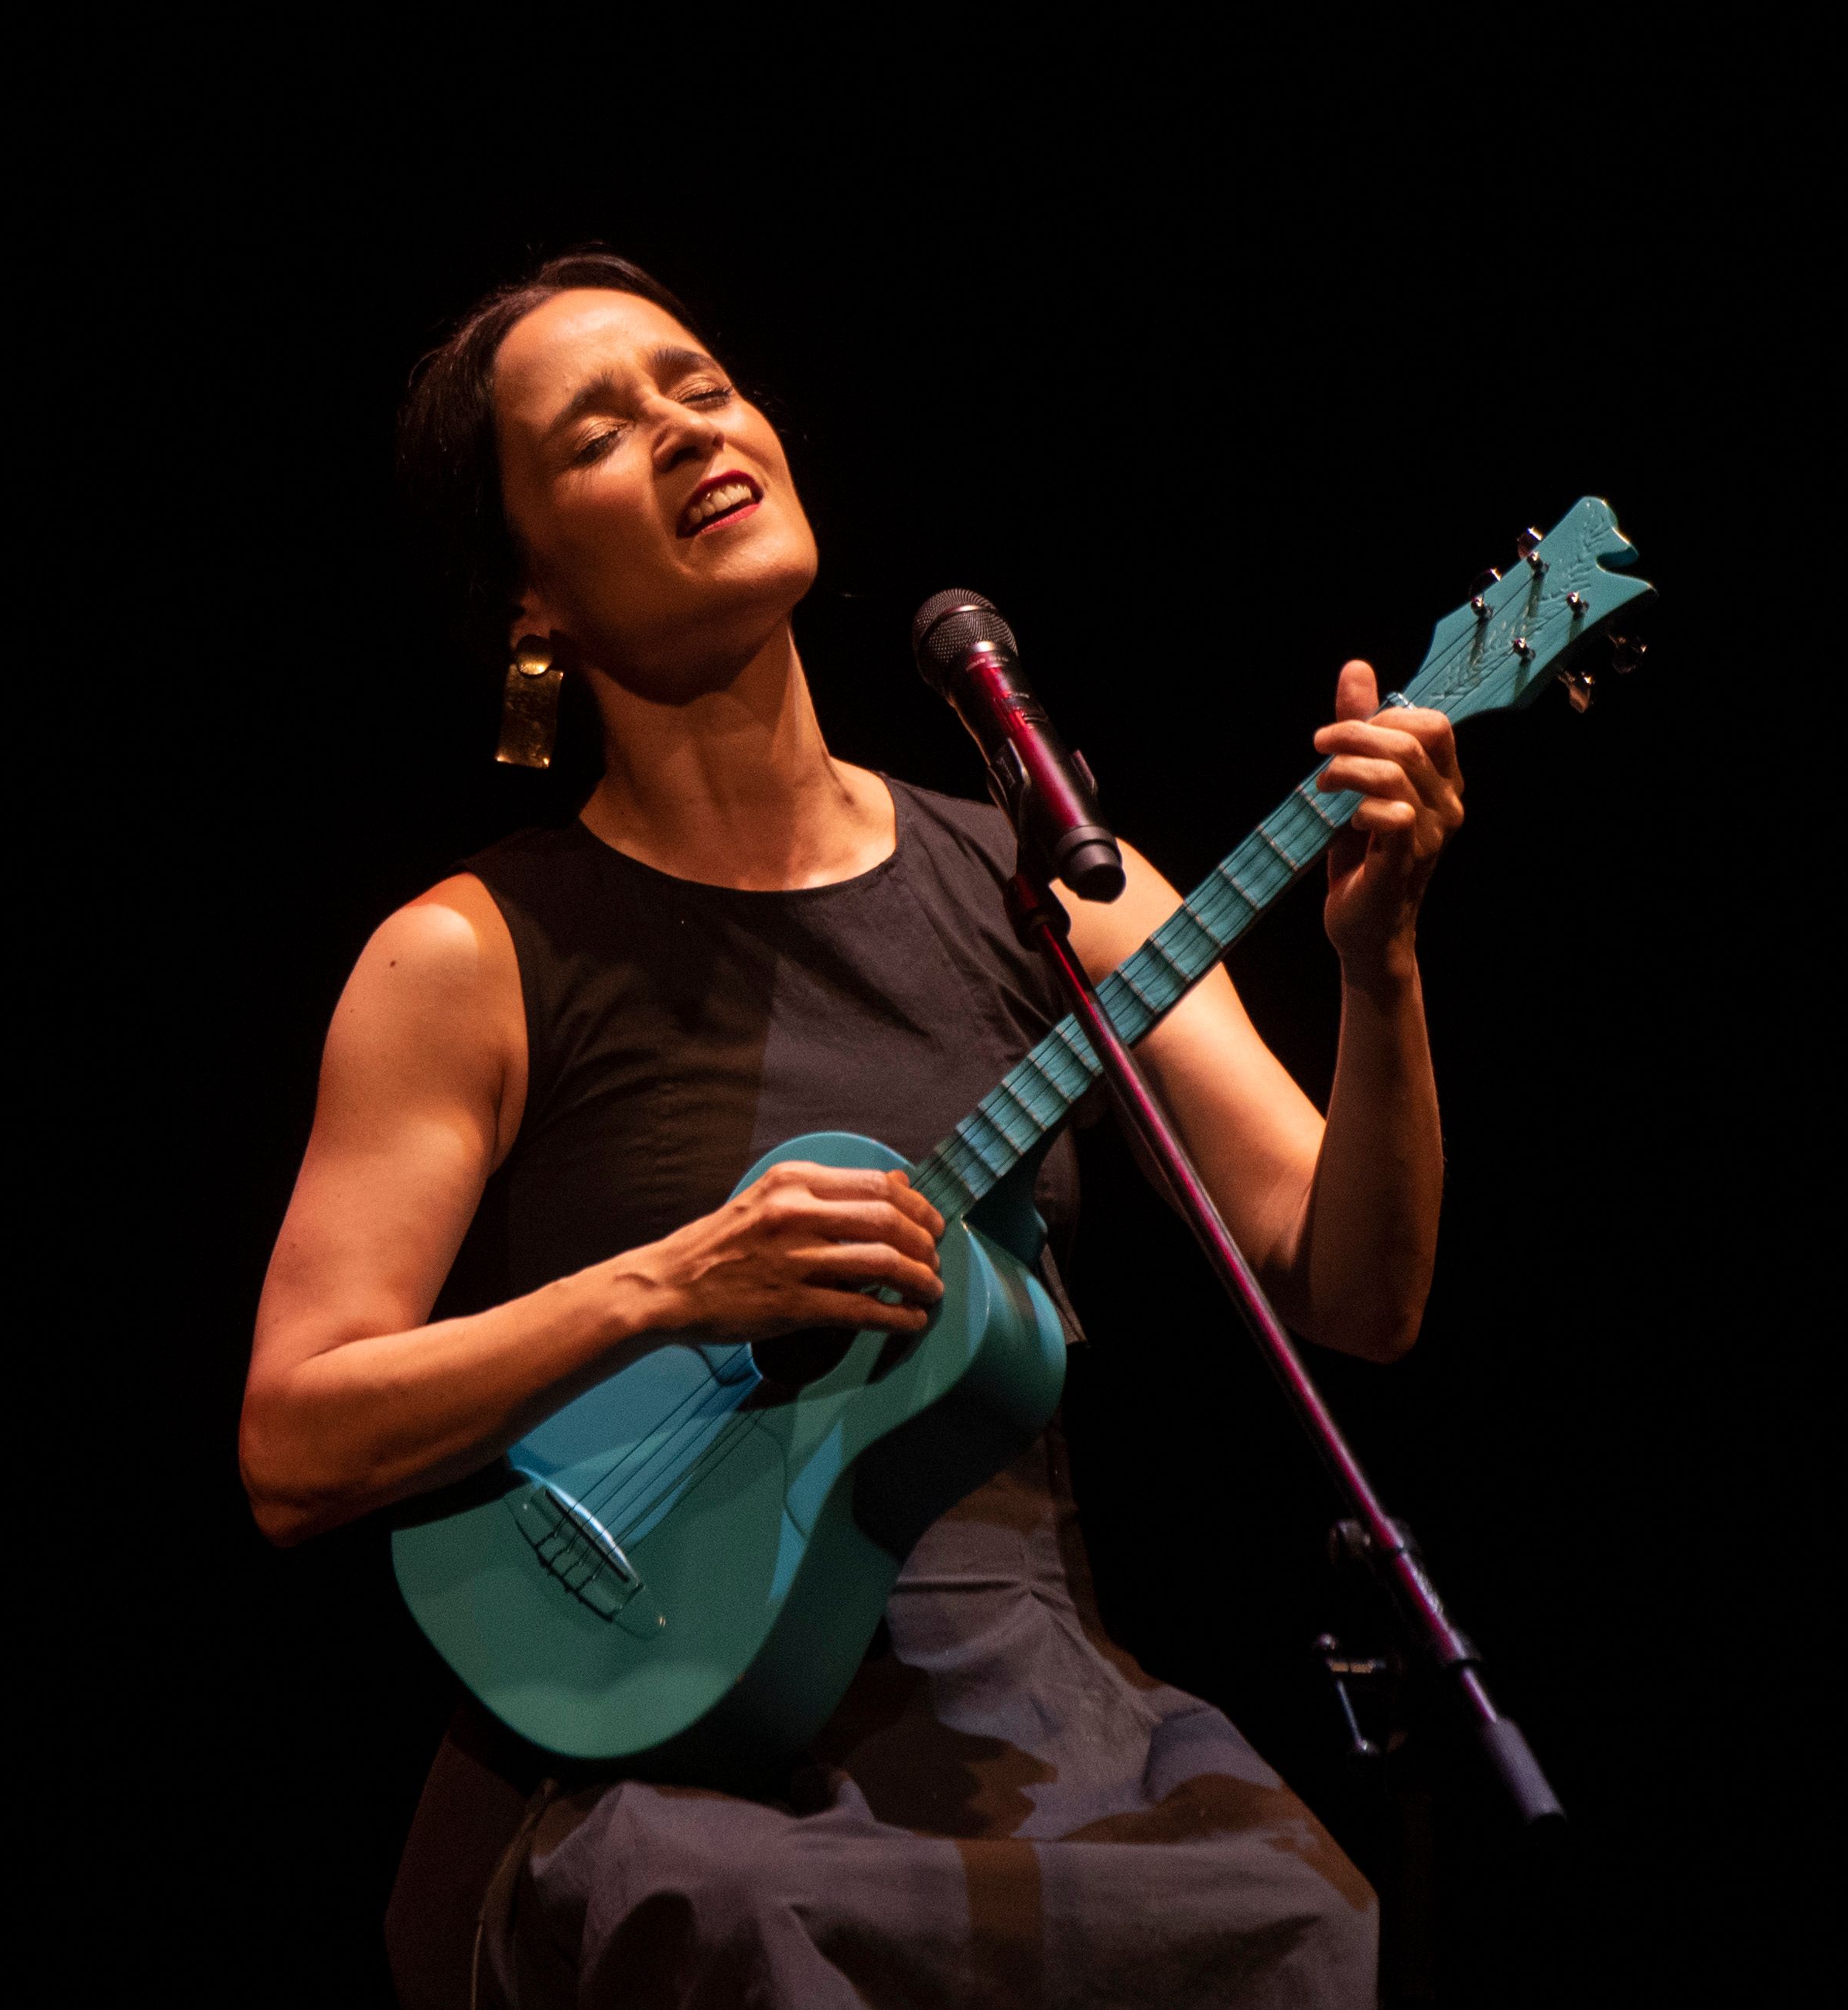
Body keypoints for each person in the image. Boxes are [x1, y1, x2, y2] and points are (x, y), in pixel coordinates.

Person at [241, 251, 1464, 2008]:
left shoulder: (1059, 895)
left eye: (698, 384)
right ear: (532, 603)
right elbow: (295, 1438)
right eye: (598, 431)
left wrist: (1382, 967)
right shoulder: (467, 957)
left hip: (1036, 1709)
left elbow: (1355, 1290)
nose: (683, 430)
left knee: (1293, 1921)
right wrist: (673, 1281)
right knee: (735, 1926)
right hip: (667, 1733)